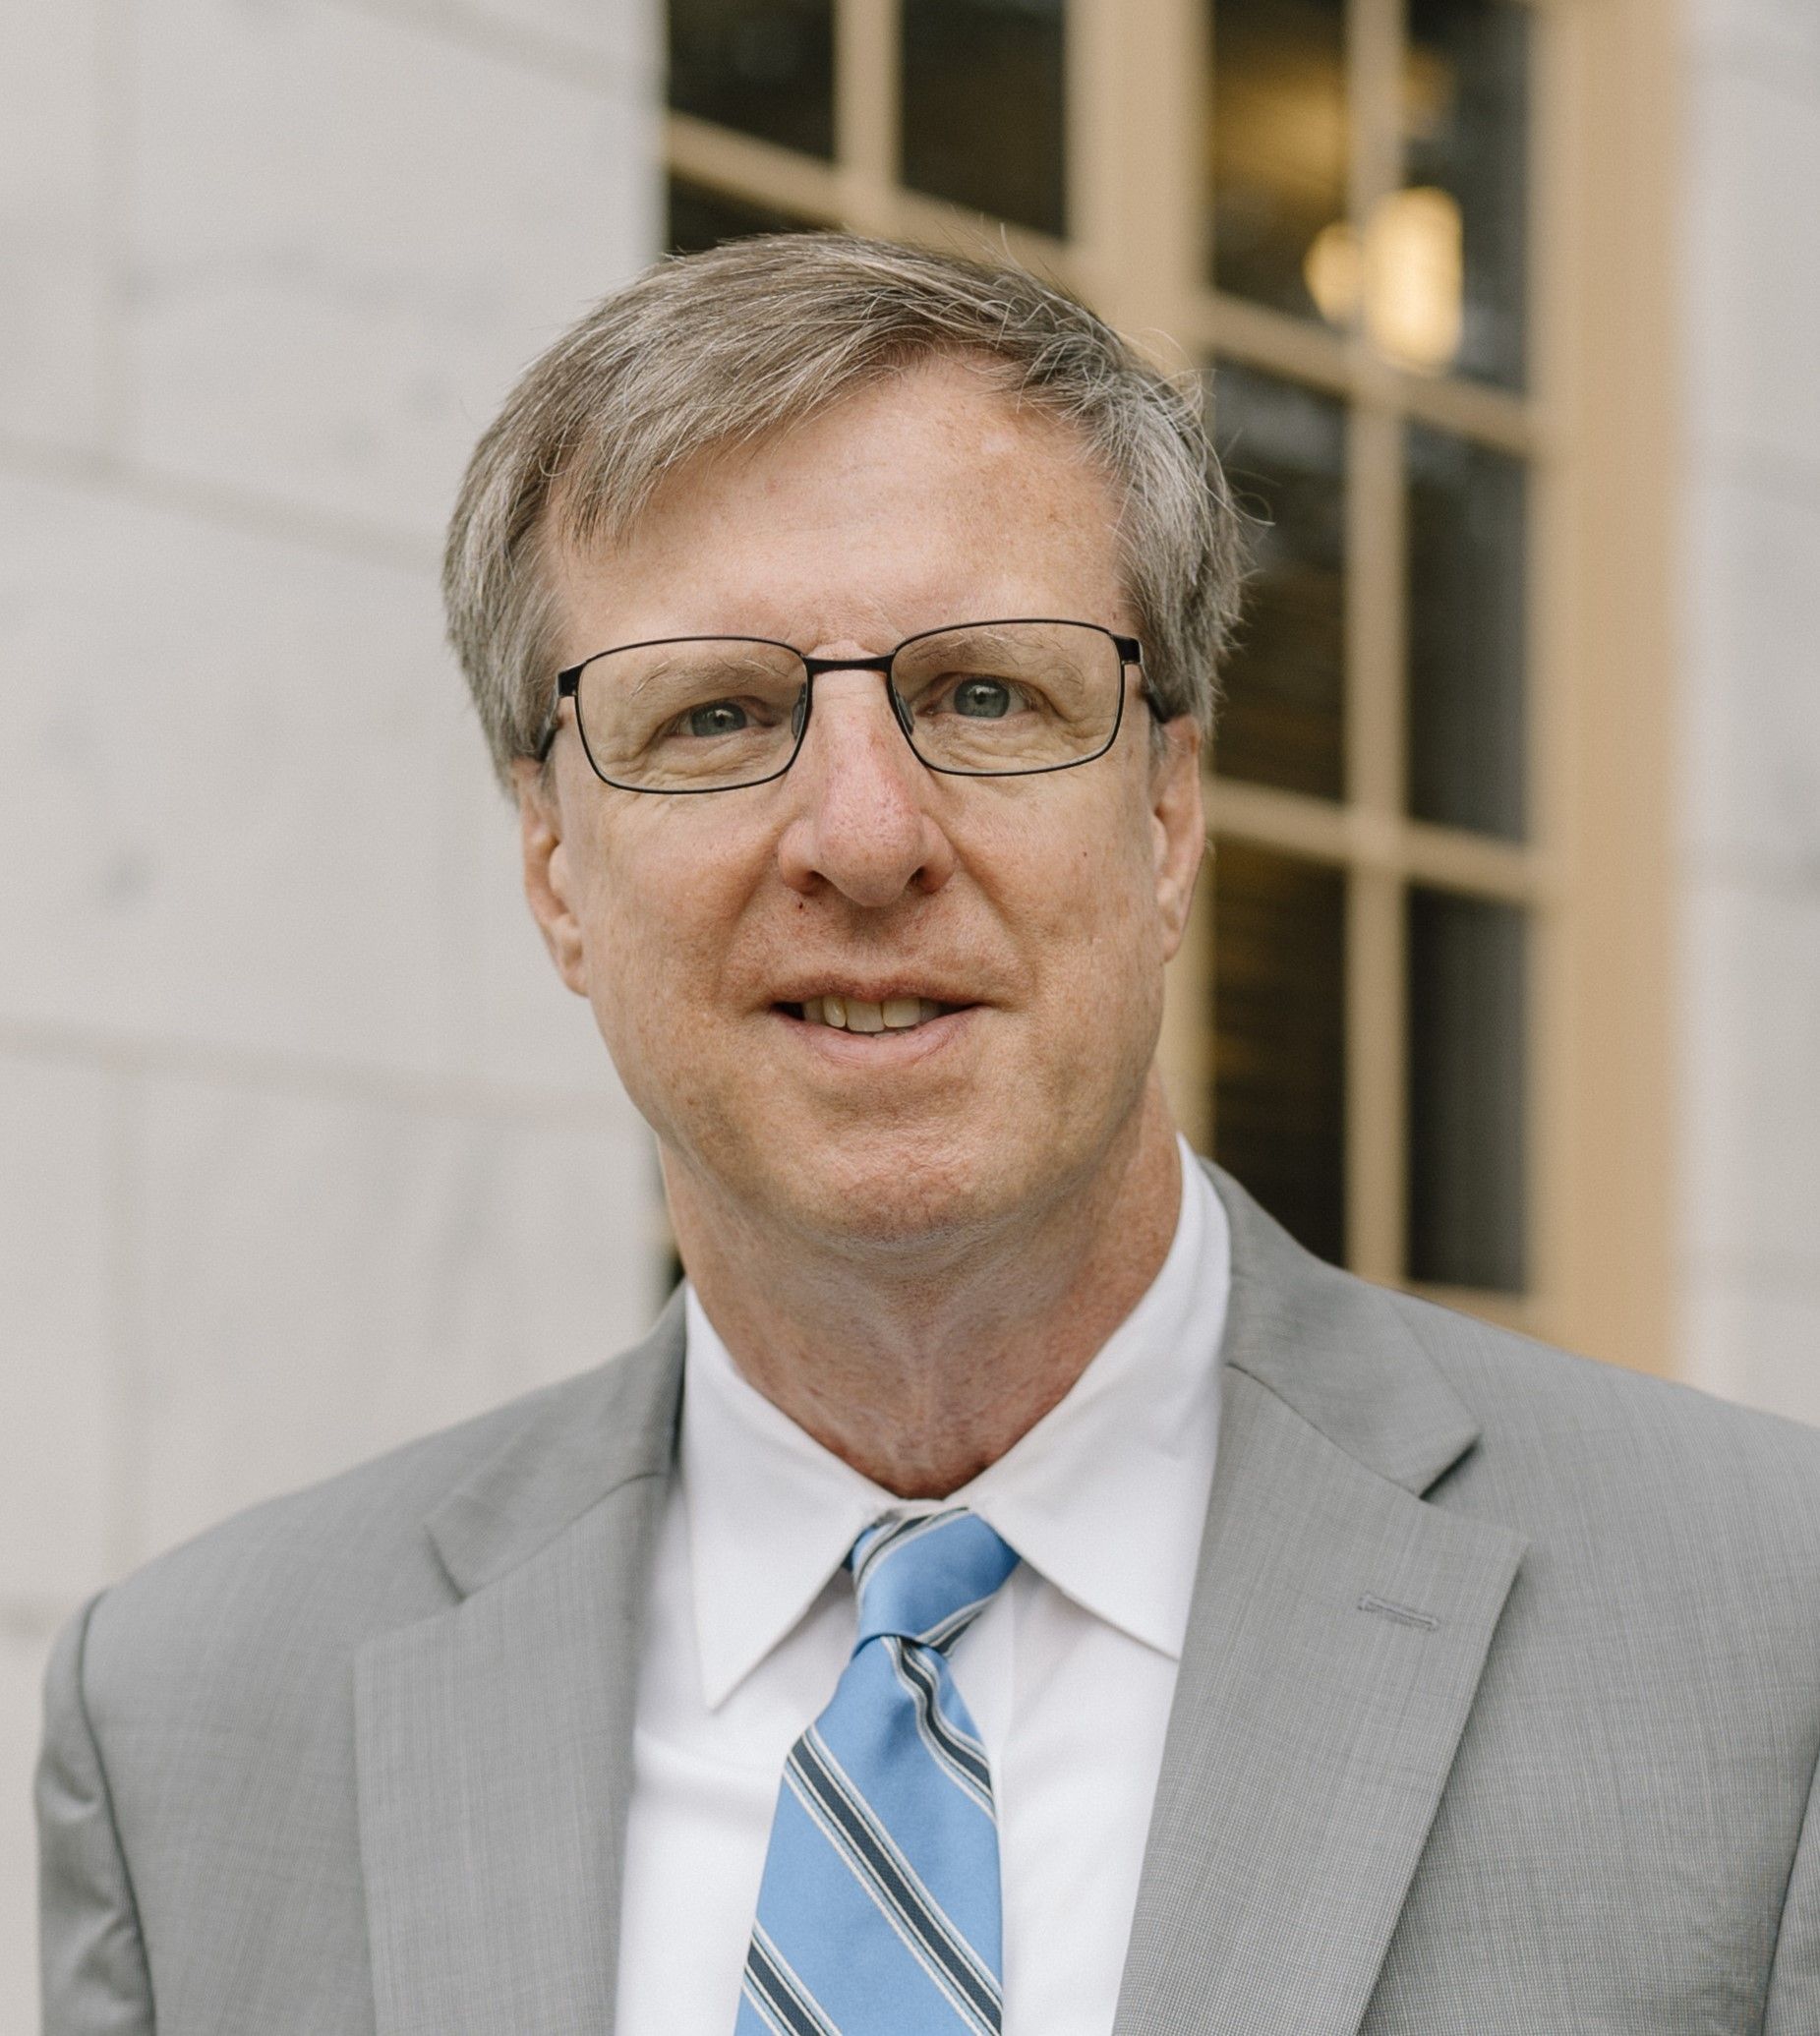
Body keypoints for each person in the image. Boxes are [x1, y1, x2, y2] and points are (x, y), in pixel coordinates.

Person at [36, 233, 1820, 2035]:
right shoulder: (191, 1727)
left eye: (985, 693)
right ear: (553, 869)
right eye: (717, 714)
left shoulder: (1774, 1639)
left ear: (1171, 810)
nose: (865, 837)